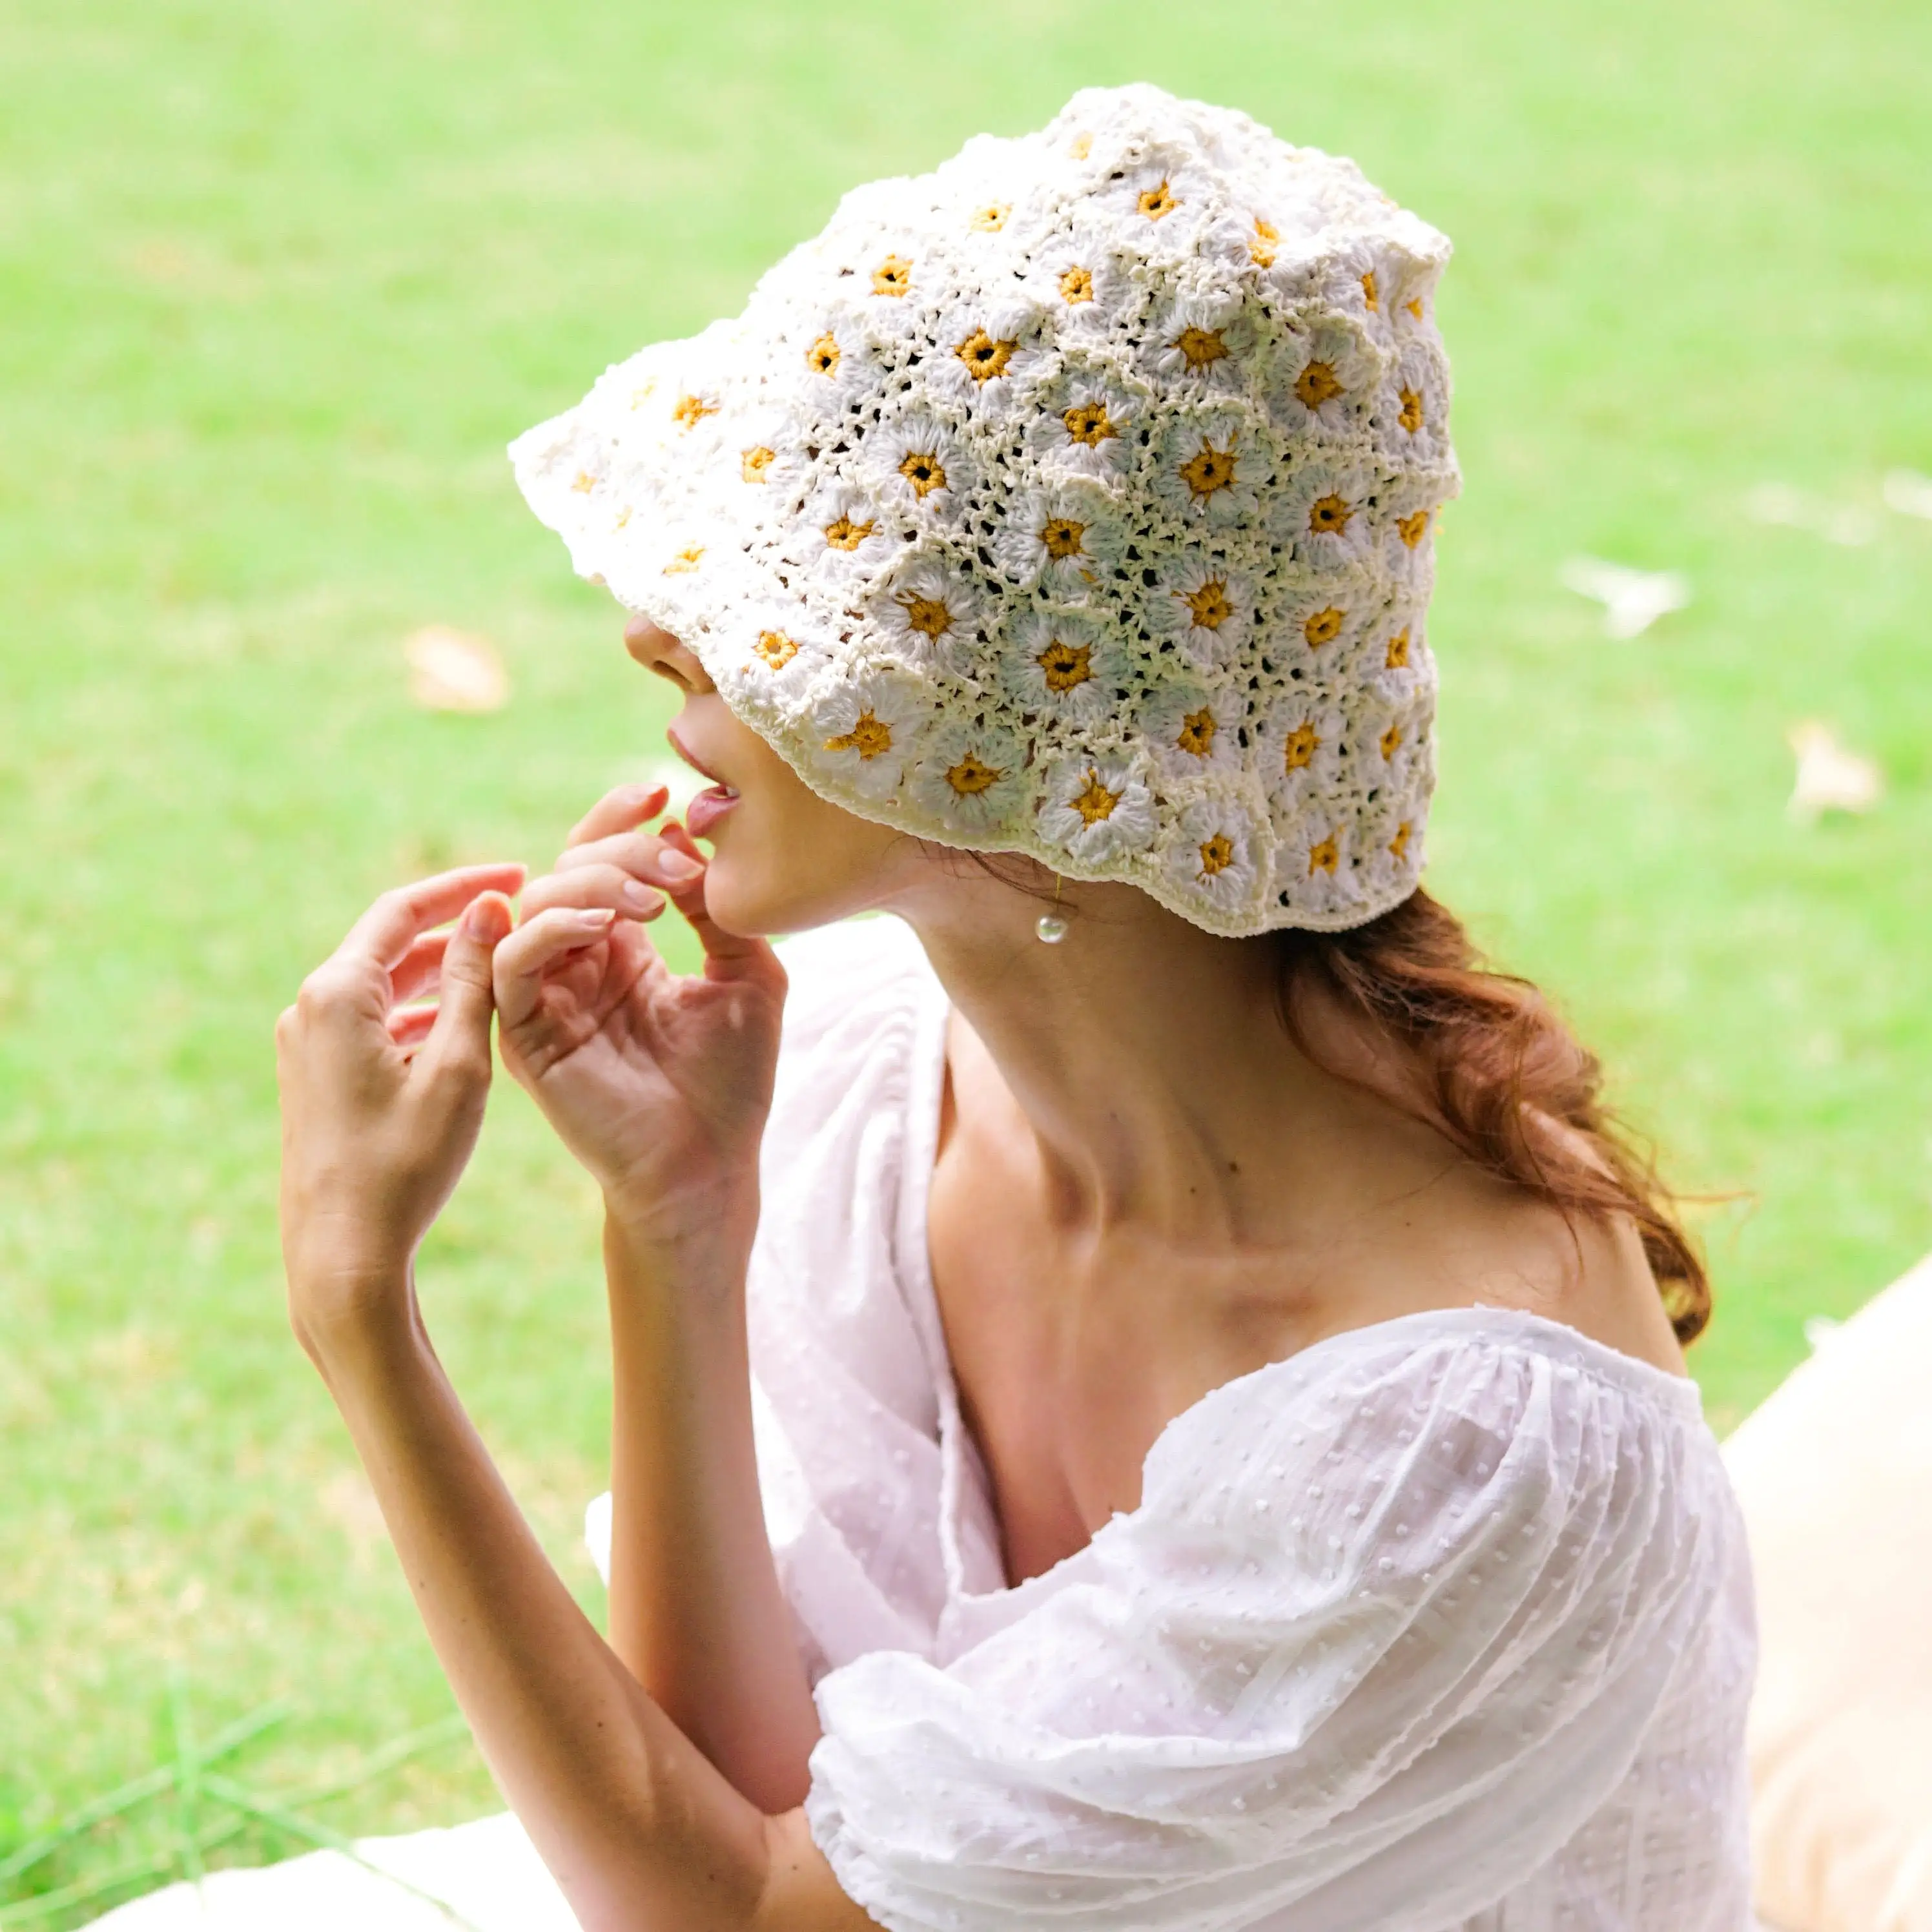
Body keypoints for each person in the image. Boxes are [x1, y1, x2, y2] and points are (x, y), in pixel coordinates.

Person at [274, 85, 1755, 1932]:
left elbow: (729, 1912)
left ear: (1061, 763)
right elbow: (754, 1806)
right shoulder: (879, 1064)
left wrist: (360, 1302)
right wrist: (679, 1218)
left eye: (791, 610)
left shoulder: (1452, 1457)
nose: (655, 635)